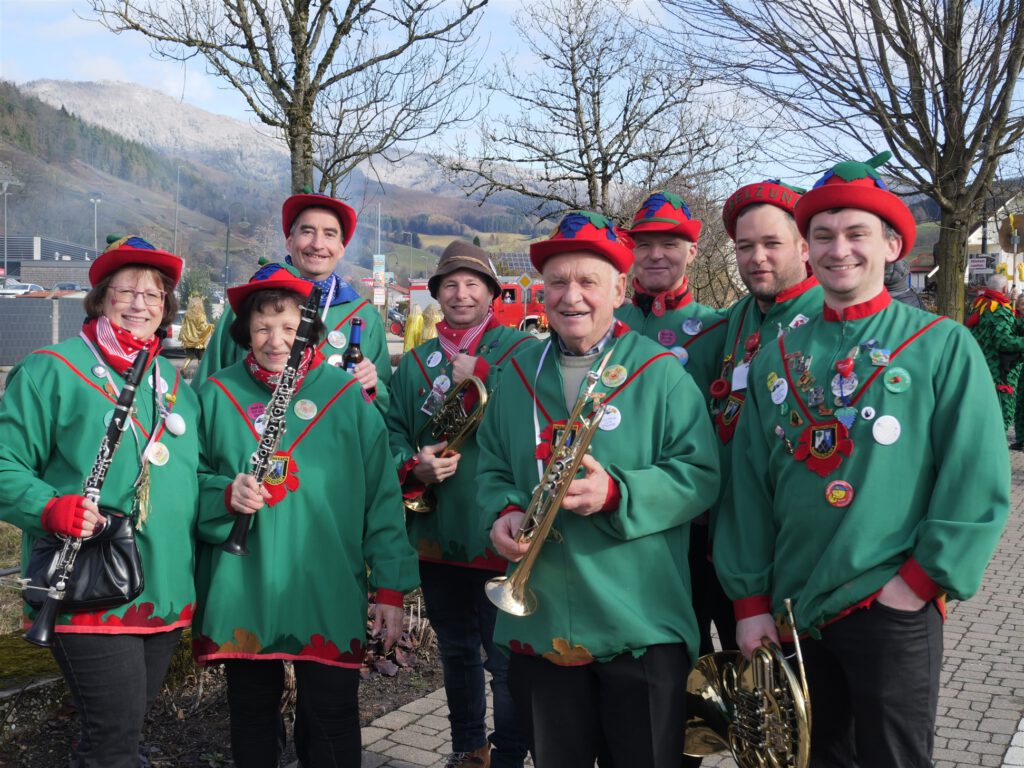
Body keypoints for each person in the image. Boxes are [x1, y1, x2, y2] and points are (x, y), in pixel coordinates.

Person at [716, 153, 1009, 767]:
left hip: (890, 605)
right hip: (794, 611)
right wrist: (749, 605)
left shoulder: (941, 346)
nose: (839, 249)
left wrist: (918, 584)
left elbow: (975, 478)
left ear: (893, 245)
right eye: (823, 235)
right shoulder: (776, 357)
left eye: (857, 234)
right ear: (807, 248)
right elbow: (748, 489)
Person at [476, 211, 720, 768]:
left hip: (638, 621)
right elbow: (490, 466)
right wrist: (503, 511)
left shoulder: (659, 372)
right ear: (541, 292)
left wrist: (617, 494)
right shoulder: (515, 372)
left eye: (588, 281)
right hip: (540, 623)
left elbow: (701, 475)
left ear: (619, 290)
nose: (571, 296)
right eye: (557, 282)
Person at [193, 263, 418, 768]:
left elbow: (382, 498)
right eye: (262, 328)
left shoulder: (346, 396)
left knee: (333, 716)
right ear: (244, 333)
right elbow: (190, 482)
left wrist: (390, 587)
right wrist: (223, 494)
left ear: (310, 330)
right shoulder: (216, 394)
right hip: (244, 582)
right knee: (251, 713)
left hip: (327, 581)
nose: (276, 341)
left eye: (289, 327)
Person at [0, 235, 200, 767]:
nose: (140, 304)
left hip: (163, 587)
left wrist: (230, 494)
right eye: (126, 291)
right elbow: (4, 463)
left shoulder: (172, 382)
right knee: (113, 737)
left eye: (153, 295)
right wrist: (49, 507)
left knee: (122, 731)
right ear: (100, 298)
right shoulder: (50, 368)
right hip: (87, 583)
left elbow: (194, 476)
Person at [386, 240, 534, 768]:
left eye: (473, 284)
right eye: (450, 284)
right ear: (437, 294)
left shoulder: (520, 350)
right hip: (439, 534)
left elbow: (538, 414)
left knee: (506, 660)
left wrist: (485, 372)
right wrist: (414, 466)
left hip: (501, 530)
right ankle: (469, 748)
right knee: (455, 651)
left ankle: (511, 754)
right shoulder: (416, 363)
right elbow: (392, 433)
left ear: (492, 293)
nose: (461, 293)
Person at [612, 191, 730, 706]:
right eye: (645, 244)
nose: (656, 254)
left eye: (671, 243)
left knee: (713, 653)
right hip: (622, 520)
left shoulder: (719, 328)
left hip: (699, 525)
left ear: (693, 252)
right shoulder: (608, 323)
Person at [702, 180, 823, 657]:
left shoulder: (825, 316)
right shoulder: (741, 316)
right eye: (745, 246)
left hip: (790, 555)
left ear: (804, 247)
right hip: (729, 541)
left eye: (772, 243)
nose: (757, 258)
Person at [193, 191, 391, 412]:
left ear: (341, 249)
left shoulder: (365, 317)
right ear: (289, 242)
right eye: (307, 232)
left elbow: (387, 409)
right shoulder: (247, 307)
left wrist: (373, 385)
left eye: (329, 234)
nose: (317, 244)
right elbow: (204, 396)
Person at [966, 272, 1024, 430]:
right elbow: (1003, 342)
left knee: (987, 413)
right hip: (1000, 370)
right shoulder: (999, 309)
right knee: (1002, 415)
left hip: (982, 364)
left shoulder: (979, 304)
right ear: (1004, 289)